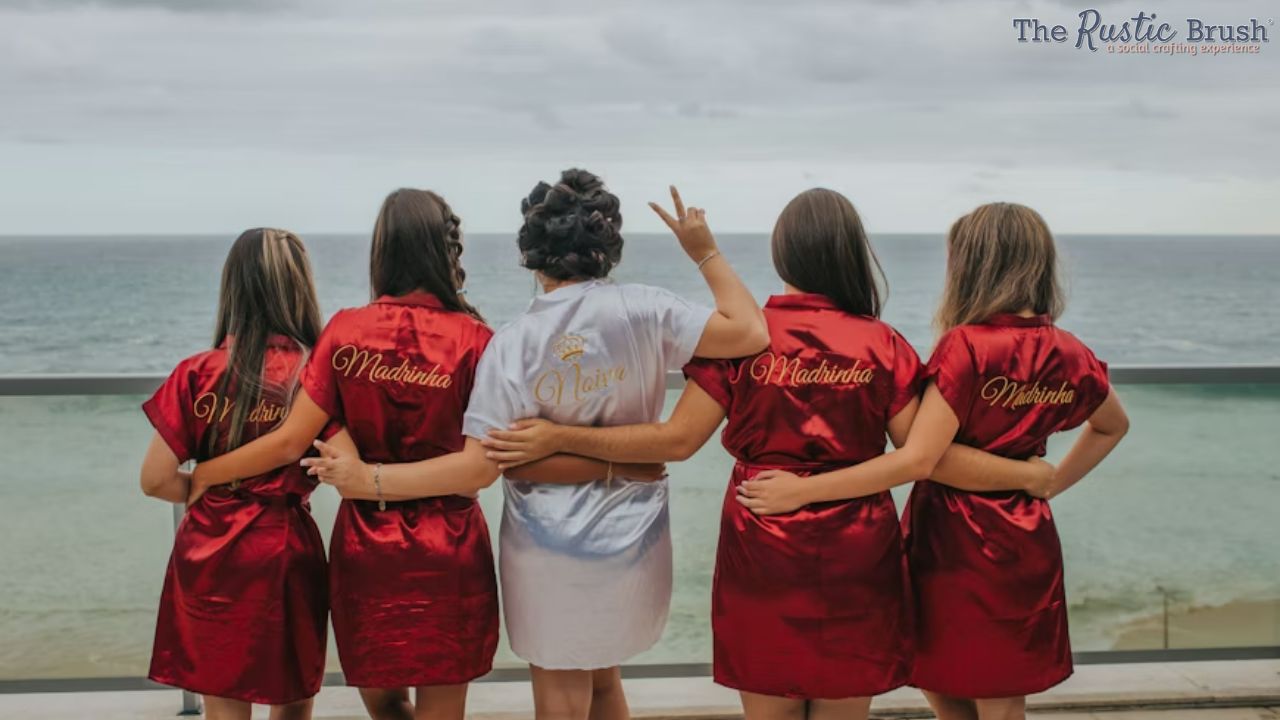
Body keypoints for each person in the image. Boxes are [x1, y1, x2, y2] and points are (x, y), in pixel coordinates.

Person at [476, 189, 1054, 720]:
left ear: (782, 255)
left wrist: (559, 435)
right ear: (853, 254)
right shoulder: (884, 344)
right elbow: (926, 455)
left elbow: (677, 440)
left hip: (762, 539)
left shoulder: (744, 343)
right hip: (860, 549)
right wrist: (1025, 470)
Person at [304, 169, 769, 720]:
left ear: (531, 254)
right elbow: (752, 333)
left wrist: (553, 441)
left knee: (561, 691)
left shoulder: (513, 342)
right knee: (603, 679)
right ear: (607, 249)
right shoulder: (648, 310)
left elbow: (501, 464)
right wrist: (704, 252)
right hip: (634, 534)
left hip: (544, 542)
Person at [736, 202, 1128, 720]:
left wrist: (804, 489)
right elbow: (1112, 425)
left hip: (955, 537)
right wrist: (1043, 482)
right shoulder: (1071, 352)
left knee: (954, 681)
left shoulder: (967, 348)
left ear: (971, 265)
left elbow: (925, 458)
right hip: (1026, 535)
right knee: (995, 688)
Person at [189, 190, 503, 720]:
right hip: (449, 544)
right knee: (445, 707)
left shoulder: (344, 331)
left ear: (380, 251)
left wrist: (205, 475)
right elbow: (481, 468)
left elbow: (292, 439)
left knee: (384, 704)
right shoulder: (477, 340)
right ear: (447, 252)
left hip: (368, 548)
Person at [139, 228, 328, 720]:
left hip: (209, 548)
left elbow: (155, 479)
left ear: (233, 288)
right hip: (284, 544)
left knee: (223, 703)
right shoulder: (314, 372)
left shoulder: (197, 372)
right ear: (299, 288)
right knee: (291, 697)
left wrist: (205, 483)